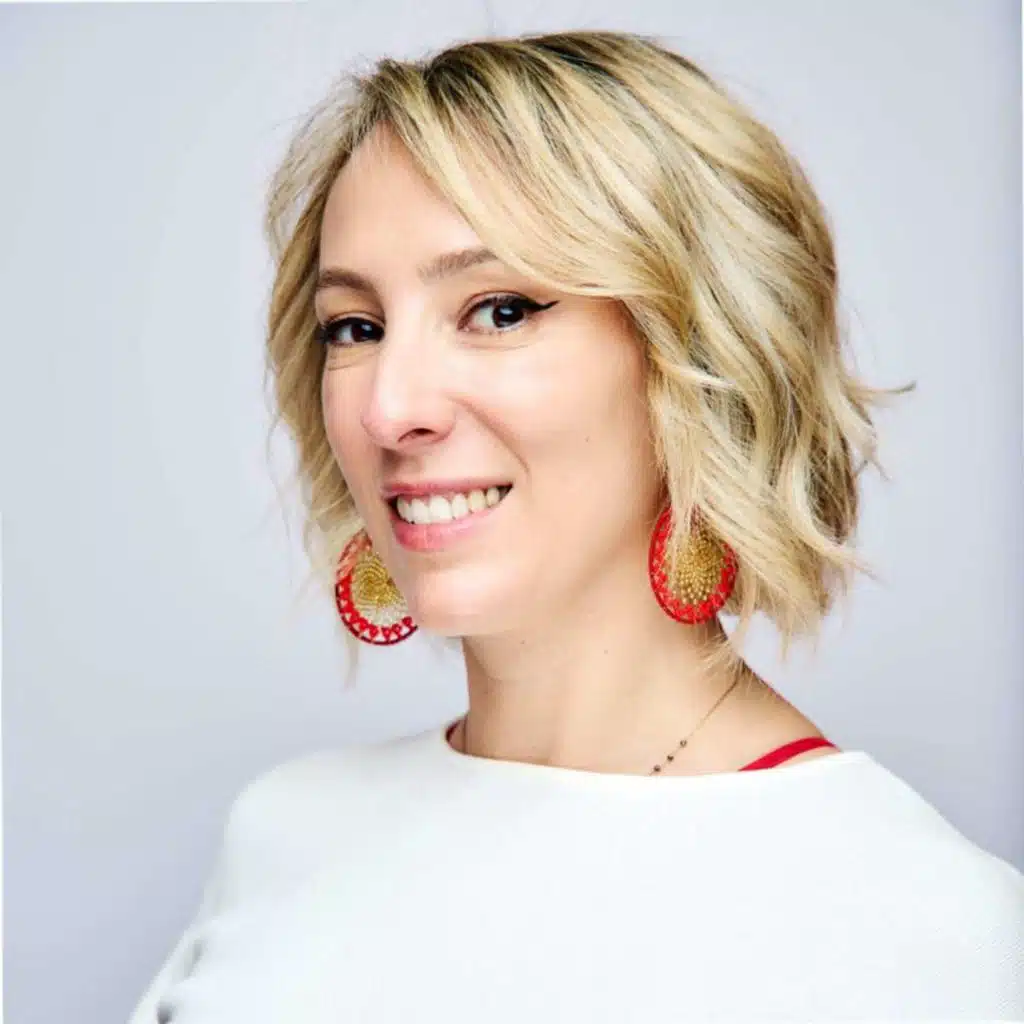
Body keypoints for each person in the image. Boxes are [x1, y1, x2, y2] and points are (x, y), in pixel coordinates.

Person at [127, 29, 1024, 1023]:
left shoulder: (930, 933)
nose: (390, 408)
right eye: (356, 326)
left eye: (500, 310)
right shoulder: (281, 836)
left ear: (696, 357)